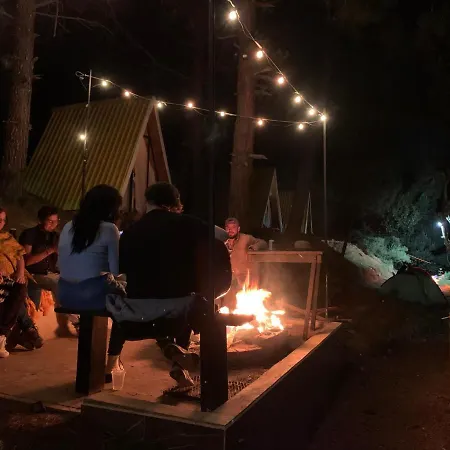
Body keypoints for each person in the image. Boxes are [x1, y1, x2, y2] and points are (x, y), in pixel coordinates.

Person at [106, 182, 231, 387]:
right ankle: (179, 365)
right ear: (175, 203)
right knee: (190, 301)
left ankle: (111, 366)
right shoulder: (188, 223)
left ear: (148, 202)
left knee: (128, 299)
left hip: (138, 308)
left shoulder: (130, 231)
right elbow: (223, 236)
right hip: (178, 307)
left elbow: (120, 269)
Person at [58, 185, 124, 311]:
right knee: (127, 293)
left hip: (65, 294)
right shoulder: (110, 229)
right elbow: (116, 271)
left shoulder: (68, 226)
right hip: (92, 295)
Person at [19, 206, 77, 336]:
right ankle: (76, 321)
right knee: (59, 284)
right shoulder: (29, 234)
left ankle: (64, 327)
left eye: (56, 221)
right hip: (33, 273)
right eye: (50, 221)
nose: (53, 225)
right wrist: (50, 250)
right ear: (40, 220)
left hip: (51, 273)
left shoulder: (55, 236)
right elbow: (27, 261)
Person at [0, 208, 43, 355]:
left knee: (19, 288)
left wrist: (19, 273)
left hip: (12, 277)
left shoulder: (7, 238)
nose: (1, 223)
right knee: (12, 295)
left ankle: (17, 333)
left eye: (3, 220)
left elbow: (20, 257)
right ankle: (27, 328)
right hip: (3, 280)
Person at [223, 217, 267, 308]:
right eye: (228, 228)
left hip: (243, 277)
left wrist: (254, 248)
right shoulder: (221, 240)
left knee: (245, 302)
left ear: (238, 229)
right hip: (228, 277)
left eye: (233, 227)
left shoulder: (246, 238)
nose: (230, 230)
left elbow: (263, 242)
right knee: (225, 304)